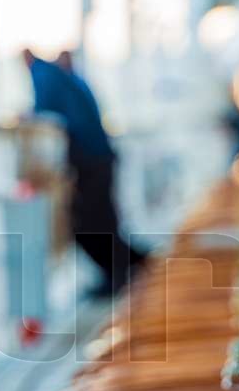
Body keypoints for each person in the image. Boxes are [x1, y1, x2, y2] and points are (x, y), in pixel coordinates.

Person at [24, 48, 147, 297]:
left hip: (90, 161)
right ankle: (131, 265)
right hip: (99, 158)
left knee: (90, 222)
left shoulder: (43, 74)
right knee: (101, 221)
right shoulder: (70, 78)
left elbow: (43, 109)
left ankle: (124, 270)